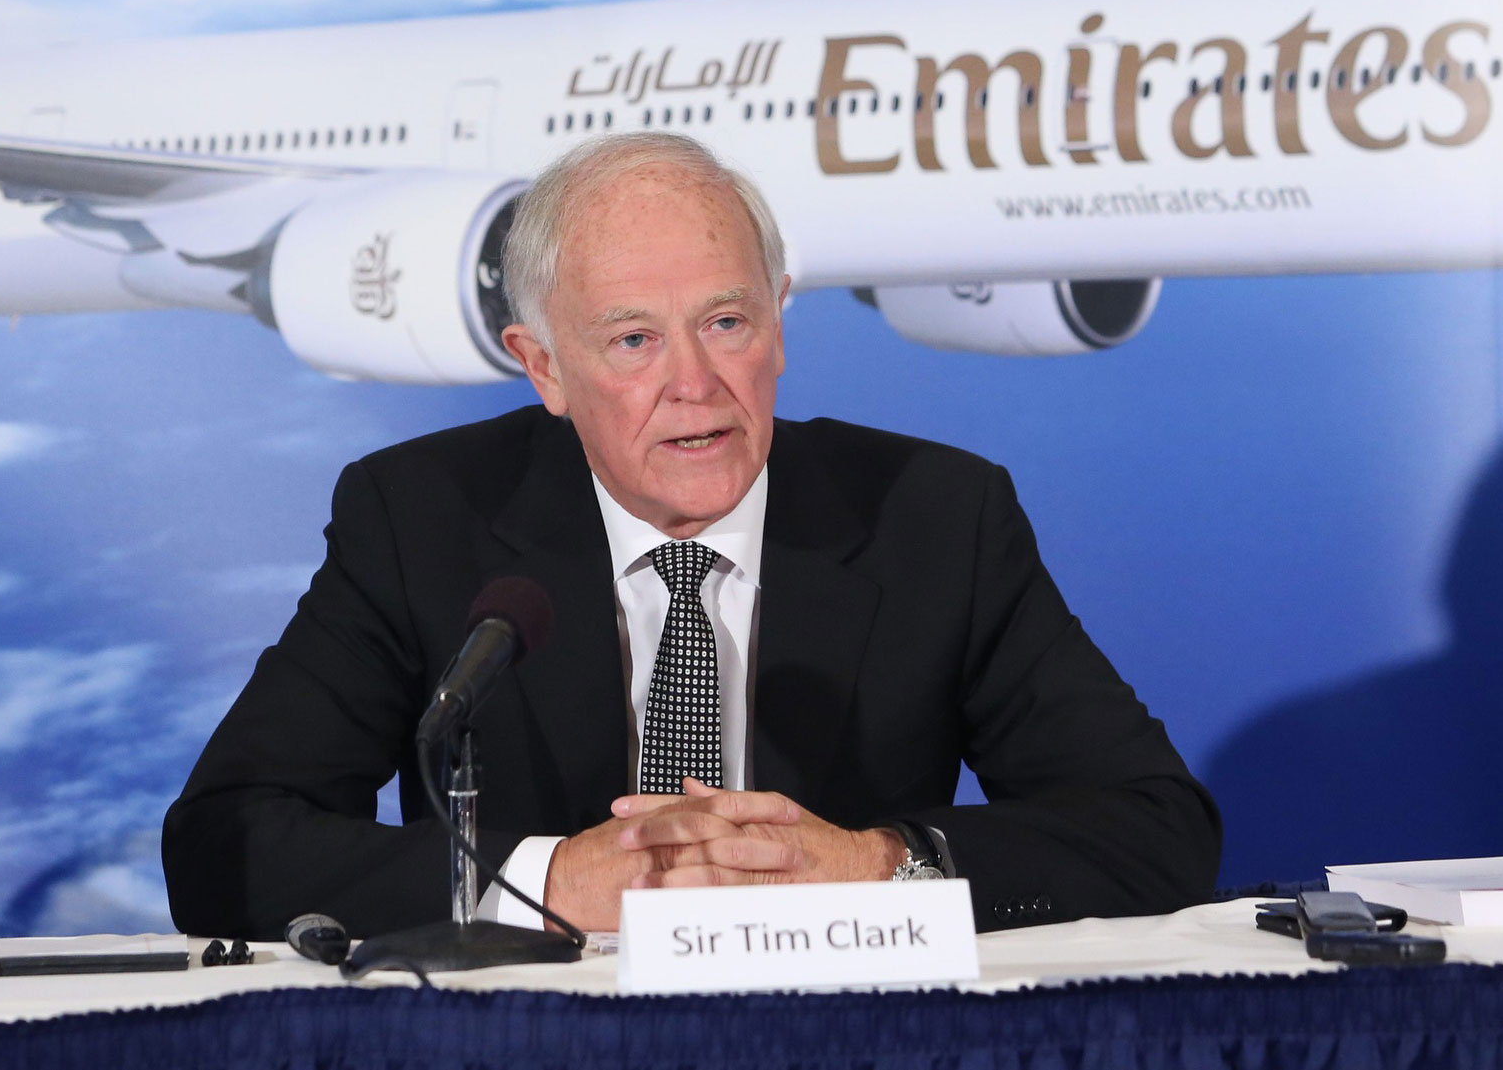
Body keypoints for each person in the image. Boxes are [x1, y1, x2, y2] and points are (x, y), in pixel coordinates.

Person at [163, 133, 1219, 940]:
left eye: (727, 322)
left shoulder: (936, 513)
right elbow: (224, 845)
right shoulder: (421, 516)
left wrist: (879, 864)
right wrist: (545, 881)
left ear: (780, 320)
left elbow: (1158, 828)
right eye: (632, 339)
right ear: (544, 368)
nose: (695, 384)